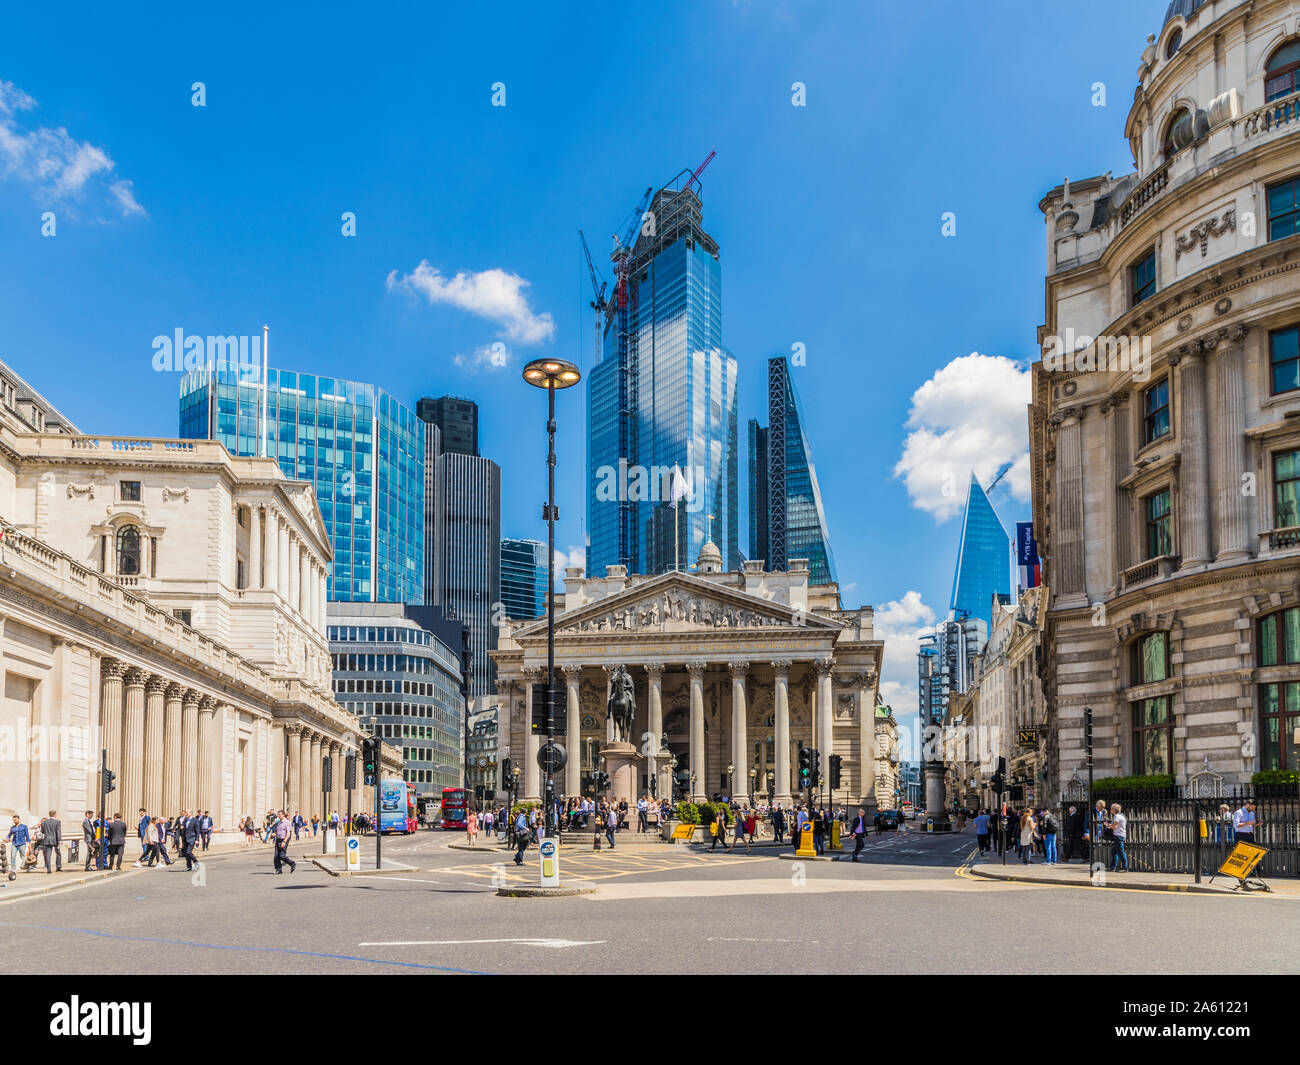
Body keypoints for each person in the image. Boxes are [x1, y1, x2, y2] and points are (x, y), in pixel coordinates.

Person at [1109, 803, 1128, 871]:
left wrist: (1107, 825)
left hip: (1118, 836)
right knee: (1114, 852)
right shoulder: (1121, 815)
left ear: (1114, 810)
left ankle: (1125, 867)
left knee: (1121, 852)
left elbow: (1115, 827)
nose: (1110, 809)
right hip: (1120, 835)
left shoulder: (1117, 816)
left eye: (1111, 808)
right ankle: (1113, 867)